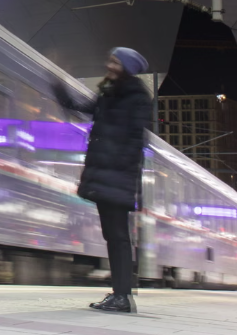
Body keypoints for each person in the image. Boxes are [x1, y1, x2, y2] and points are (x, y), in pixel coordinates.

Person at [52, 47, 153, 314]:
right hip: (107, 173)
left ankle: (122, 296)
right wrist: (57, 83)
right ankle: (119, 294)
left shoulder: (136, 97)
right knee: (113, 235)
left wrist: (116, 166)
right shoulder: (109, 93)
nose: (108, 65)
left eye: (115, 62)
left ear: (127, 68)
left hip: (116, 174)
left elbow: (136, 141)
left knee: (118, 236)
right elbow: (77, 107)